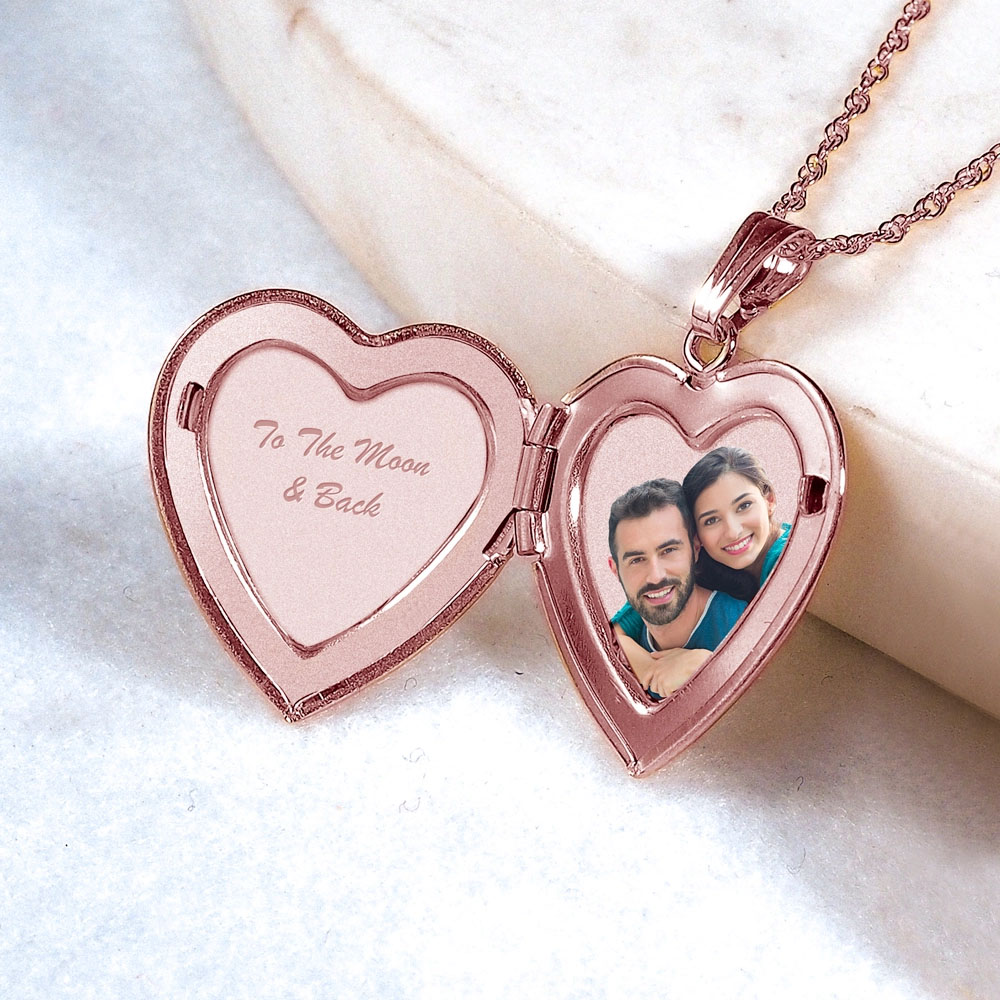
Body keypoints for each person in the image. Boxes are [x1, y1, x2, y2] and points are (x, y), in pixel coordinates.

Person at [612, 448, 790, 670]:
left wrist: (706, 663)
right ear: (696, 537)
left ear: (769, 500)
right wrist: (650, 668)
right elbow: (623, 625)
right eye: (711, 520)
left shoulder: (790, 562)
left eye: (744, 506)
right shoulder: (706, 563)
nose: (733, 531)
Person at [607, 479, 747, 700]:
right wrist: (649, 670)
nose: (656, 576)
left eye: (669, 550)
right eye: (637, 560)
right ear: (615, 570)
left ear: (695, 549)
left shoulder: (743, 624)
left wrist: (712, 669)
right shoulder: (625, 638)